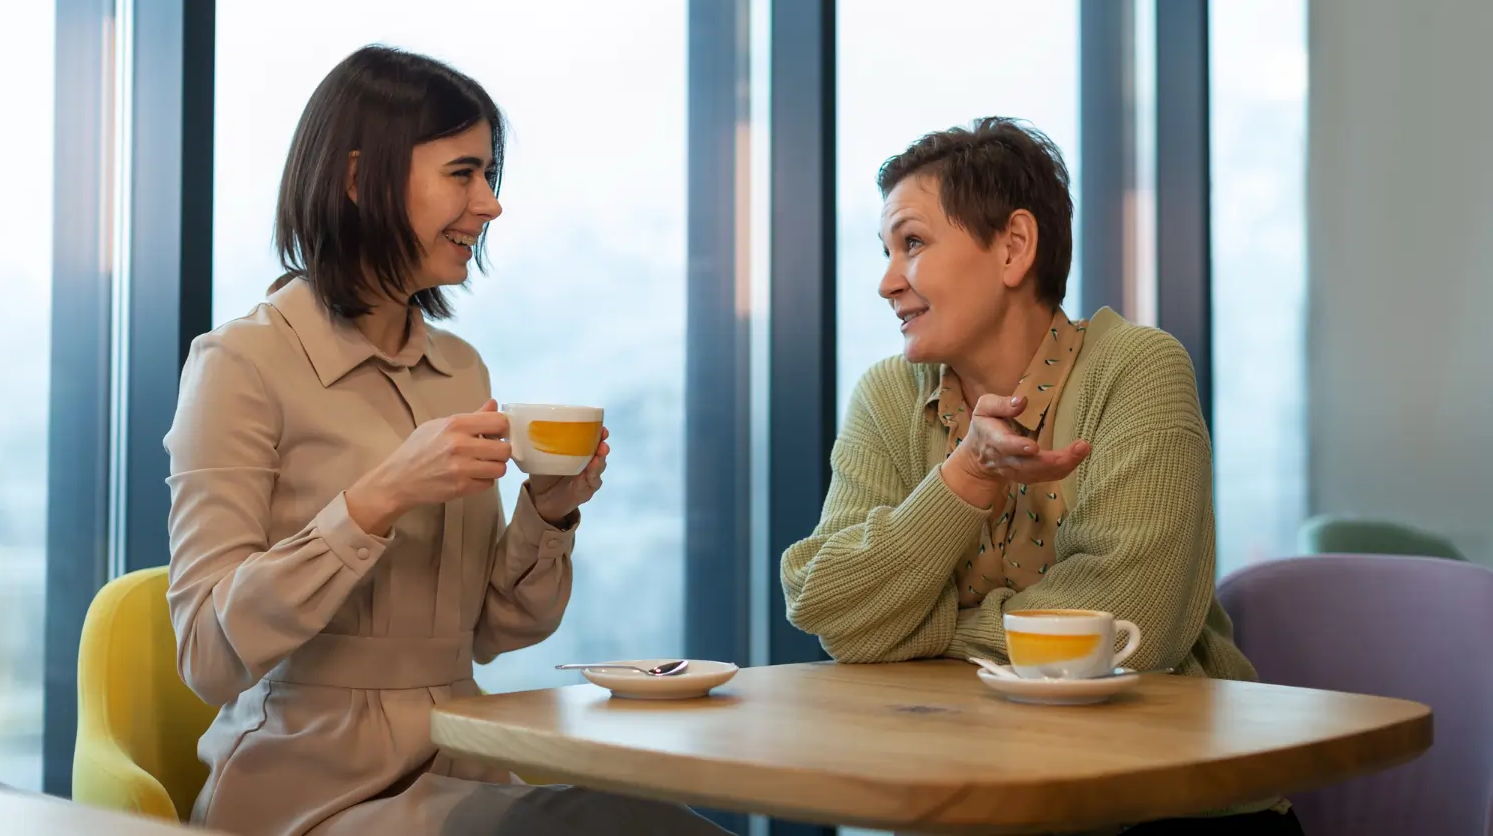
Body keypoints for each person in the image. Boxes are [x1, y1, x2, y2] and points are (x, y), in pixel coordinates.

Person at [166, 46, 730, 836]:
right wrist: (378, 497)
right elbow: (207, 653)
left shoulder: (458, 368)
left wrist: (550, 513)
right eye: (463, 174)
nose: (490, 204)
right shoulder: (239, 365)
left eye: (490, 176)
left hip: (462, 763)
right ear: (360, 179)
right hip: (309, 789)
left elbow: (494, 631)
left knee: (660, 826)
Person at [780, 118, 1303, 835]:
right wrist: (966, 476)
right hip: (972, 795)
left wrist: (916, 628)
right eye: (887, 251)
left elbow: (1133, 628)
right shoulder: (889, 395)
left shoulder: (1138, 369)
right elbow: (832, 610)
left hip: (1166, 808)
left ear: (1013, 247)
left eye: (913, 244)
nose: (886, 282)